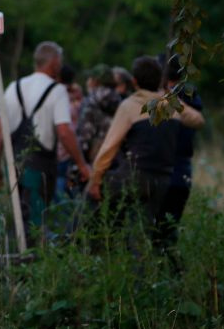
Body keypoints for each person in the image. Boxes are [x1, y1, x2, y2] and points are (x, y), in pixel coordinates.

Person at [86, 55, 206, 248]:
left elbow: (108, 149)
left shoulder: (130, 105)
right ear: (160, 81)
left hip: (136, 176)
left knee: (96, 202)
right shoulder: (170, 104)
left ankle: (89, 246)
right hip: (162, 180)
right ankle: (139, 267)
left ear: (134, 81)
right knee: (142, 232)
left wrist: (95, 181)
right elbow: (198, 120)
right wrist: (169, 97)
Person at [0, 42, 93, 235]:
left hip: (13, 165)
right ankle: (31, 260)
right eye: (60, 62)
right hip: (40, 167)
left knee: (18, 218)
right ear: (54, 63)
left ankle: (15, 258)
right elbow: (64, 131)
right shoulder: (57, 91)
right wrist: (81, 164)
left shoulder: (14, 87)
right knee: (36, 222)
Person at [158, 55, 203, 246]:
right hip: (183, 170)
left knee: (161, 232)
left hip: (166, 170)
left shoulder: (168, 98)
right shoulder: (192, 95)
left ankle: (169, 271)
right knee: (168, 230)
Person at [54, 65, 84, 201]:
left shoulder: (57, 96)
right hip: (75, 150)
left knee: (59, 187)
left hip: (60, 151)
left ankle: (58, 218)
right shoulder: (78, 100)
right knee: (71, 187)